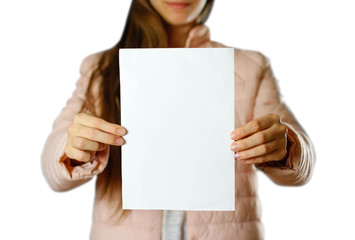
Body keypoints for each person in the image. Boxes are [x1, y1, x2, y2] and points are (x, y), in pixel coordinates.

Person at [41, 0, 315, 239]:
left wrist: (287, 146)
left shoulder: (250, 66)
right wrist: (72, 149)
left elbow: (303, 165)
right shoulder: (101, 68)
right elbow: (54, 168)